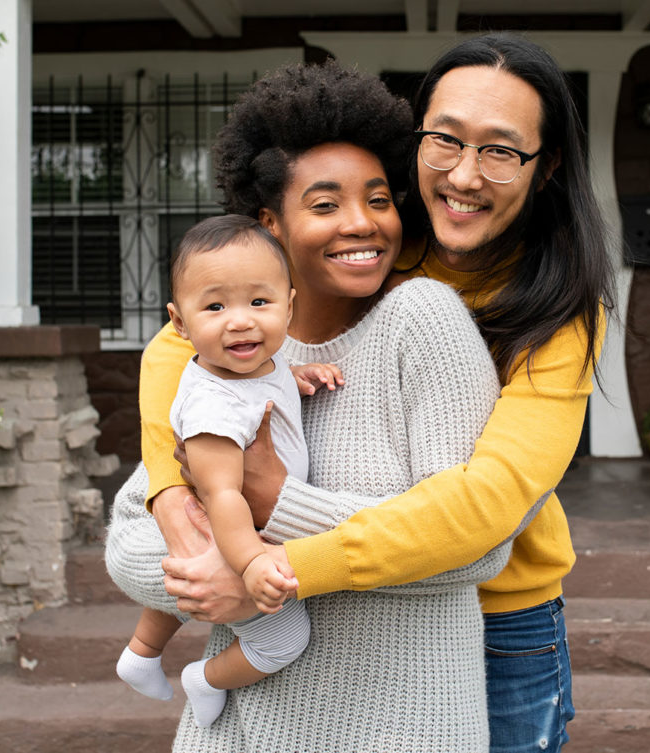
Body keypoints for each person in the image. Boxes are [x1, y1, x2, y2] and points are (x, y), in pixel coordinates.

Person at [205, 33, 614, 753]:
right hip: (364, 612)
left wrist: (283, 562)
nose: (463, 175)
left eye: (501, 150)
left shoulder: (558, 306)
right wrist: (171, 506)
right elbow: (195, 338)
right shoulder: (368, 239)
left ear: (545, 166)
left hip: (499, 620)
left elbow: (488, 503)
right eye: (444, 141)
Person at [105, 60, 512, 751]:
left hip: (404, 730)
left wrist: (276, 519)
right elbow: (129, 539)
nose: (361, 223)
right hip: (234, 732)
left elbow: (477, 546)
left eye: (379, 199)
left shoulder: (423, 321)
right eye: (324, 205)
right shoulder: (231, 351)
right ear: (270, 221)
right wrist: (240, 576)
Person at [115, 215, 341, 727]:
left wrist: (297, 375)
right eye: (215, 306)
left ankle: (140, 652)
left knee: (185, 582)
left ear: (289, 304)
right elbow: (222, 496)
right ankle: (205, 677)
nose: (240, 321)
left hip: (237, 523)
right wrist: (251, 565)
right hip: (232, 530)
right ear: (179, 322)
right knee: (285, 641)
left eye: (258, 302)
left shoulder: (257, 361)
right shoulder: (211, 409)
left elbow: (268, 381)